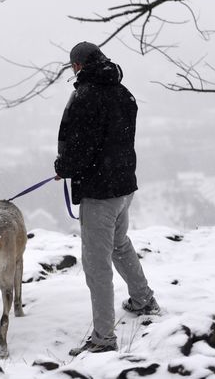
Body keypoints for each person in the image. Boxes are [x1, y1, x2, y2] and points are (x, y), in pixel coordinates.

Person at [54, 42, 160, 356]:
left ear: (78, 65)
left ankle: (103, 338)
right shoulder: (123, 92)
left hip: (100, 192)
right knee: (119, 243)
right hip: (124, 185)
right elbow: (113, 140)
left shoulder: (87, 96)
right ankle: (143, 300)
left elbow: (82, 147)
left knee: (96, 264)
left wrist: (65, 167)